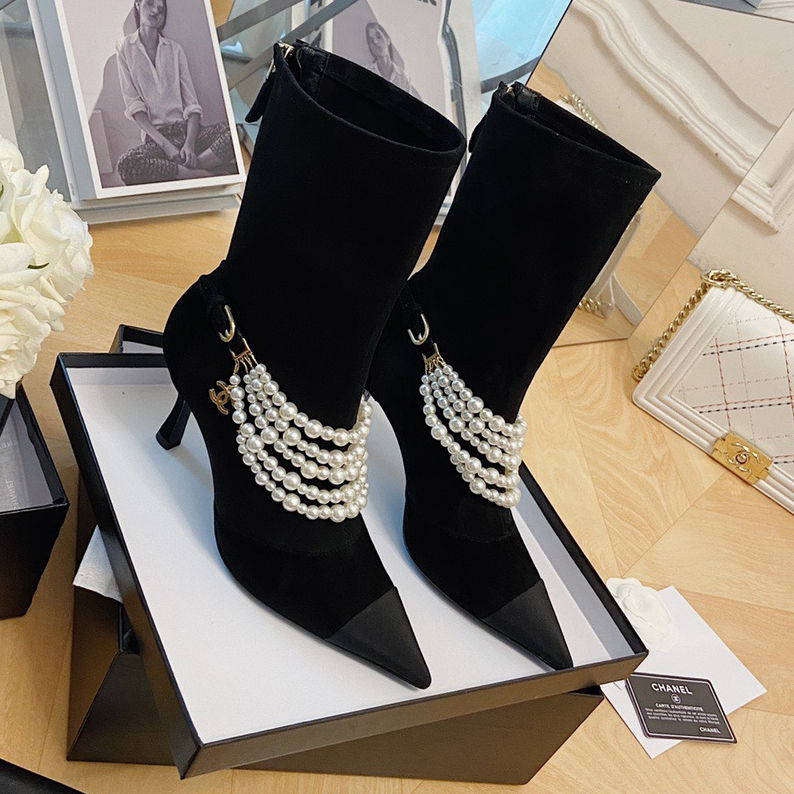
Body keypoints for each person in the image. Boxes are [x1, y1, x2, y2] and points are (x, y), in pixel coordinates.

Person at [114, 0, 236, 185]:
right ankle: (204, 176)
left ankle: (191, 169)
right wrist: (167, 146)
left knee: (233, 132)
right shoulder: (124, 48)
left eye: (161, 8)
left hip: (188, 132)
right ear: (137, 4)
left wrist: (189, 144)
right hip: (157, 140)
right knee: (127, 164)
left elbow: (192, 105)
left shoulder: (175, 49)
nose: (155, 10)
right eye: (150, 3)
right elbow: (134, 105)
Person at [364, 22, 418, 98]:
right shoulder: (366, 73)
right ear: (370, 47)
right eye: (371, 41)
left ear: (388, 40)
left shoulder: (403, 77)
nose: (375, 42)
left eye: (378, 37)